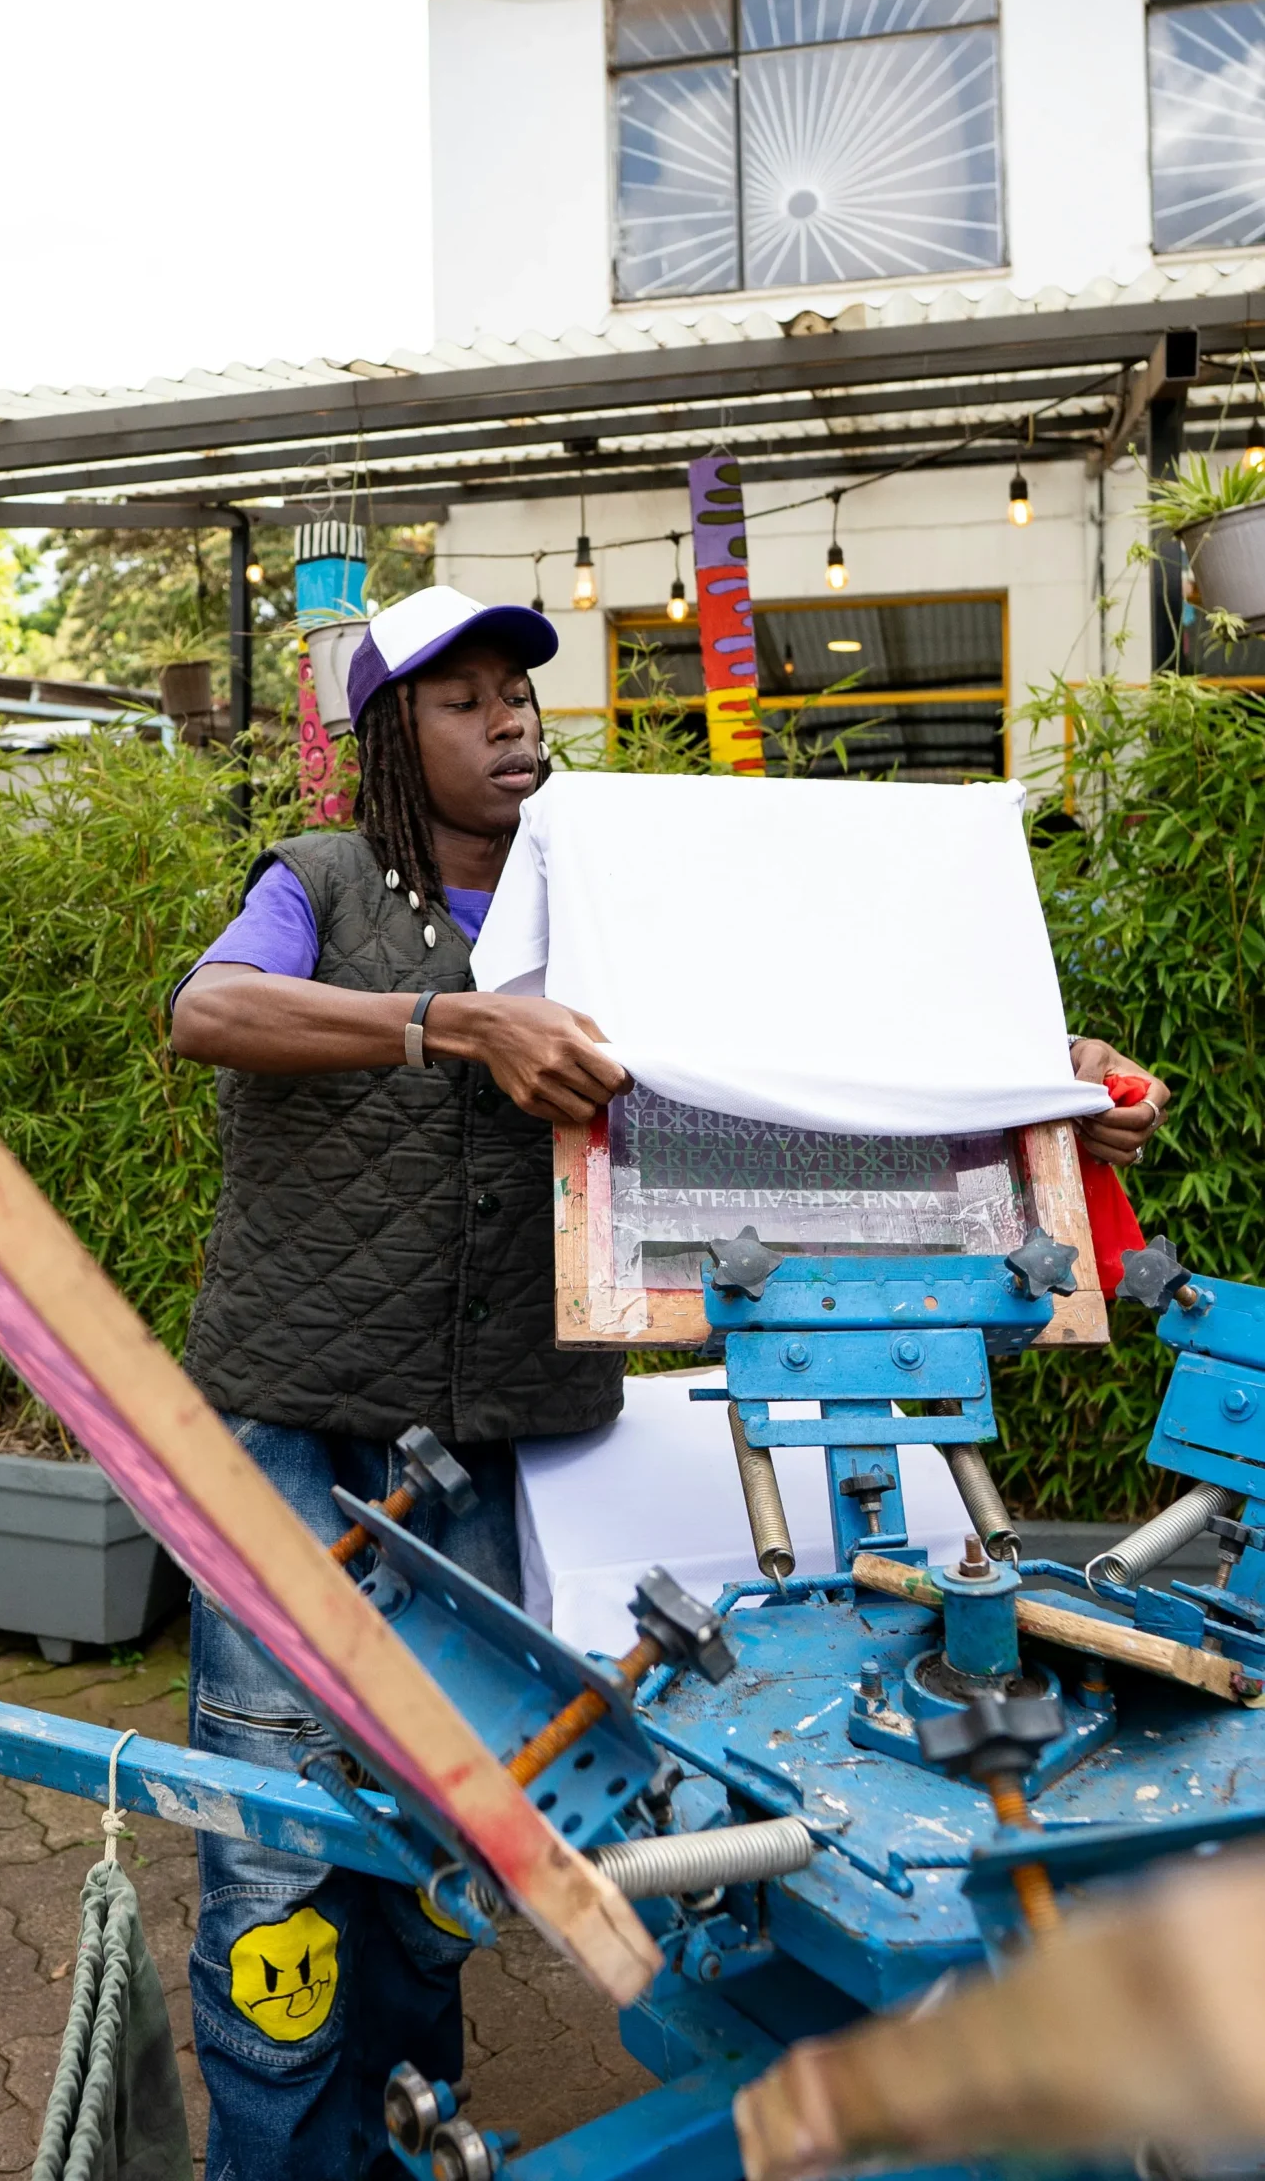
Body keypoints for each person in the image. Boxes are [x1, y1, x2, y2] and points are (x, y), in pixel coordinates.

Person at [169, 583, 1166, 2181]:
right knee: (273, 1840)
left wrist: (1062, 1101)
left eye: (518, 692)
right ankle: (276, 2164)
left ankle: (409, 2141)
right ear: (385, 736)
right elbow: (205, 1009)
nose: (507, 718)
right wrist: (449, 1022)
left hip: (495, 1445)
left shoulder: (618, 897)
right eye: (459, 698)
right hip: (293, 1429)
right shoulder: (321, 882)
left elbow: (845, 1041)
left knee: (454, 1823)